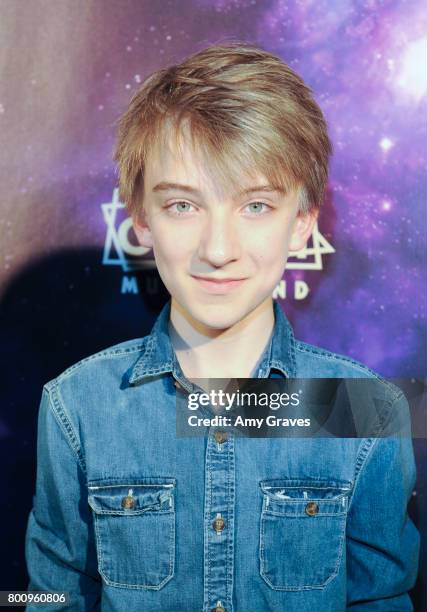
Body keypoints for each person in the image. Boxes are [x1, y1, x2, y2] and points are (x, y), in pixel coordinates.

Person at [25, 43, 419, 611]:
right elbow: (44, 597)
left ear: (303, 223)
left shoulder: (368, 410)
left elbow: (383, 597)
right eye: (183, 206)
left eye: (255, 205)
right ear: (141, 221)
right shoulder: (75, 407)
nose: (217, 249)